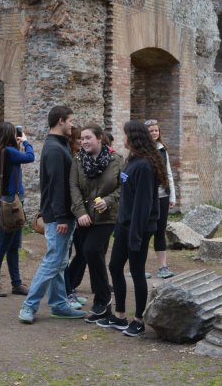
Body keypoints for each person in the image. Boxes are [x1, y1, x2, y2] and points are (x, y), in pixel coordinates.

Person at [96, 120, 166, 337]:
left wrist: (135, 235)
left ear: (133, 137)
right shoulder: (133, 160)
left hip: (139, 228)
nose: (122, 138)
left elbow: (143, 205)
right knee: (115, 267)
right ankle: (119, 316)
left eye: (125, 134)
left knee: (136, 272)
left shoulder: (145, 166)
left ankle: (138, 320)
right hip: (125, 225)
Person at [18, 106, 86, 323]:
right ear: (60, 121)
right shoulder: (55, 149)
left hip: (62, 215)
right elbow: (57, 186)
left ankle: (58, 304)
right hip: (59, 217)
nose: (72, 125)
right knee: (52, 261)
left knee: (60, 262)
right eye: (70, 121)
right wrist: (63, 218)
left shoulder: (59, 145)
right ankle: (28, 306)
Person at [69, 124, 124, 322]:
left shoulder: (117, 160)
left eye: (88, 138)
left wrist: (108, 201)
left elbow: (123, 188)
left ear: (100, 138)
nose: (84, 141)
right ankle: (103, 306)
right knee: (91, 254)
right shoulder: (77, 161)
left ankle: (102, 299)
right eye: (82, 138)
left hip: (107, 217)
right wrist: (80, 213)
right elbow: (73, 187)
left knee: (91, 250)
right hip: (84, 217)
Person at [0, 122, 35, 297]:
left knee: (14, 245)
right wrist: (25, 142)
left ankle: (16, 283)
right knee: (3, 244)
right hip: (11, 204)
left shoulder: (0, 152)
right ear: (9, 135)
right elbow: (30, 157)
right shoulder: (8, 152)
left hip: (10, 202)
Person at [144, 119, 177, 279]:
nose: (154, 133)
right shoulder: (141, 152)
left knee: (160, 231)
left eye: (156, 130)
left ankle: (163, 266)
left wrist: (172, 195)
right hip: (147, 198)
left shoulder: (163, 150)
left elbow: (168, 173)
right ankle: (139, 266)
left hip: (162, 196)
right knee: (144, 232)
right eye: (150, 131)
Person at [65, 126, 89, 309]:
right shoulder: (70, 159)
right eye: (79, 139)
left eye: (84, 139)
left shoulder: (81, 158)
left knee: (81, 253)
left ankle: (70, 288)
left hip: (80, 213)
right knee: (65, 256)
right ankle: (67, 292)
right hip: (71, 213)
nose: (82, 142)